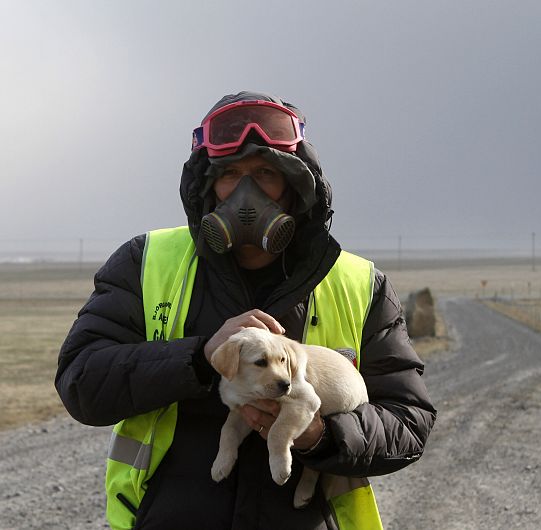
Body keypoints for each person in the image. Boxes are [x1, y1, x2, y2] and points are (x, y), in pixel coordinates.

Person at [55, 91, 436, 530]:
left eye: (265, 173)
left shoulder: (359, 283)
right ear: (207, 188)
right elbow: (81, 381)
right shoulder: (146, 262)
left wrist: (318, 436)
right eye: (230, 173)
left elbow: (409, 422)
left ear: (296, 186)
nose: (246, 193)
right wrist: (199, 358)